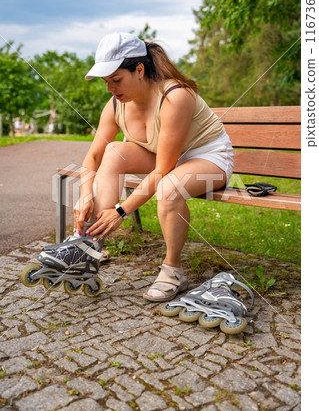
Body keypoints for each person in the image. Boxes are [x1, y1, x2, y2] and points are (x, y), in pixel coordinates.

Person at [72, 32, 234, 302]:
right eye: (106, 82)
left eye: (116, 79)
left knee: (169, 187)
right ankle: (90, 246)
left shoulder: (175, 96)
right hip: (164, 157)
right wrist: (84, 194)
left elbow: (163, 171)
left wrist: (121, 211)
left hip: (207, 156)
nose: (110, 89)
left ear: (139, 70)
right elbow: (93, 157)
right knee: (113, 152)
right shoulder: (115, 105)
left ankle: (172, 271)